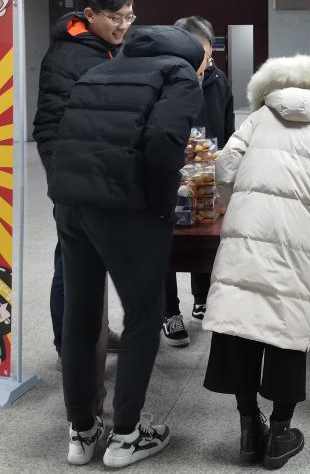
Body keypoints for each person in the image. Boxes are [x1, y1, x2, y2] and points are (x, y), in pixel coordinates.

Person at [49, 25, 205, 468]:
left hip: (71, 203)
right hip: (124, 208)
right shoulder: (179, 74)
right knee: (142, 316)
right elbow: (164, 140)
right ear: (192, 57)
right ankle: (126, 435)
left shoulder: (100, 70)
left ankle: (82, 432)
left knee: (81, 316)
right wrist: (160, 204)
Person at [203, 55, 310, 469]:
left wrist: (236, 198)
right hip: (298, 235)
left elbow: (225, 166)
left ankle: (247, 431)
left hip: (247, 226)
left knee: (240, 320)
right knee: (286, 324)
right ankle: (279, 435)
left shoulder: (260, 117)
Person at [33, 0, 135, 365]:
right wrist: (64, 179)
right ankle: (68, 347)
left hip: (104, 173)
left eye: (128, 17)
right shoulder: (66, 56)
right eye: (115, 18)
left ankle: (96, 332)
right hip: (76, 178)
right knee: (71, 262)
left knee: (94, 260)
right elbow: (49, 127)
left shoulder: (108, 49)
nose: (122, 26)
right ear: (90, 14)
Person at [161, 16, 234, 348]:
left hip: (206, 175)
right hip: (168, 174)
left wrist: (225, 177)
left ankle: (202, 298)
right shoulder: (162, 78)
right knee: (166, 241)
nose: (196, 61)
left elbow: (228, 132)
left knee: (205, 234)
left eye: (202, 53)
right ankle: (169, 312)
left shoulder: (219, 80)